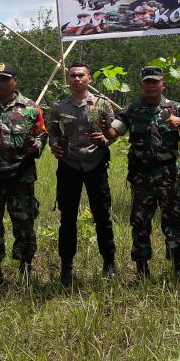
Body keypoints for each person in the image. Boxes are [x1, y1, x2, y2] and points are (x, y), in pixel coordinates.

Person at [107, 66, 180, 279]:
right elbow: (115, 131)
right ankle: (142, 269)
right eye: (147, 82)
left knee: (173, 220)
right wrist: (103, 125)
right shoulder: (132, 110)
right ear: (141, 86)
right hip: (141, 177)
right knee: (140, 222)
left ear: (163, 84)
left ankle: (177, 267)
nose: (151, 85)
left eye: (155, 82)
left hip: (168, 176)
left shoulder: (175, 107)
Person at [0, 62, 47, 285]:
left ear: (15, 80)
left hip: (20, 177)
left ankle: (26, 267)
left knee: (24, 223)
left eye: (5, 79)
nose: (1, 83)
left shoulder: (31, 108)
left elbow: (42, 134)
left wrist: (37, 145)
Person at [49, 61, 117, 284]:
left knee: (102, 216)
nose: (77, 79)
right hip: (69, 166)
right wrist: (55, 146)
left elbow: (114, 132)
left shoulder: (102, 105)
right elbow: (52, 133)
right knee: (67, 218)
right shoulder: (60, 107)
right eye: (72, 76)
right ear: (68, 80)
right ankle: (66, 267)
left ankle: (109, 263)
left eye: (81, 75)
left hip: (95, 165)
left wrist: (105, 140)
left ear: (90, 79)